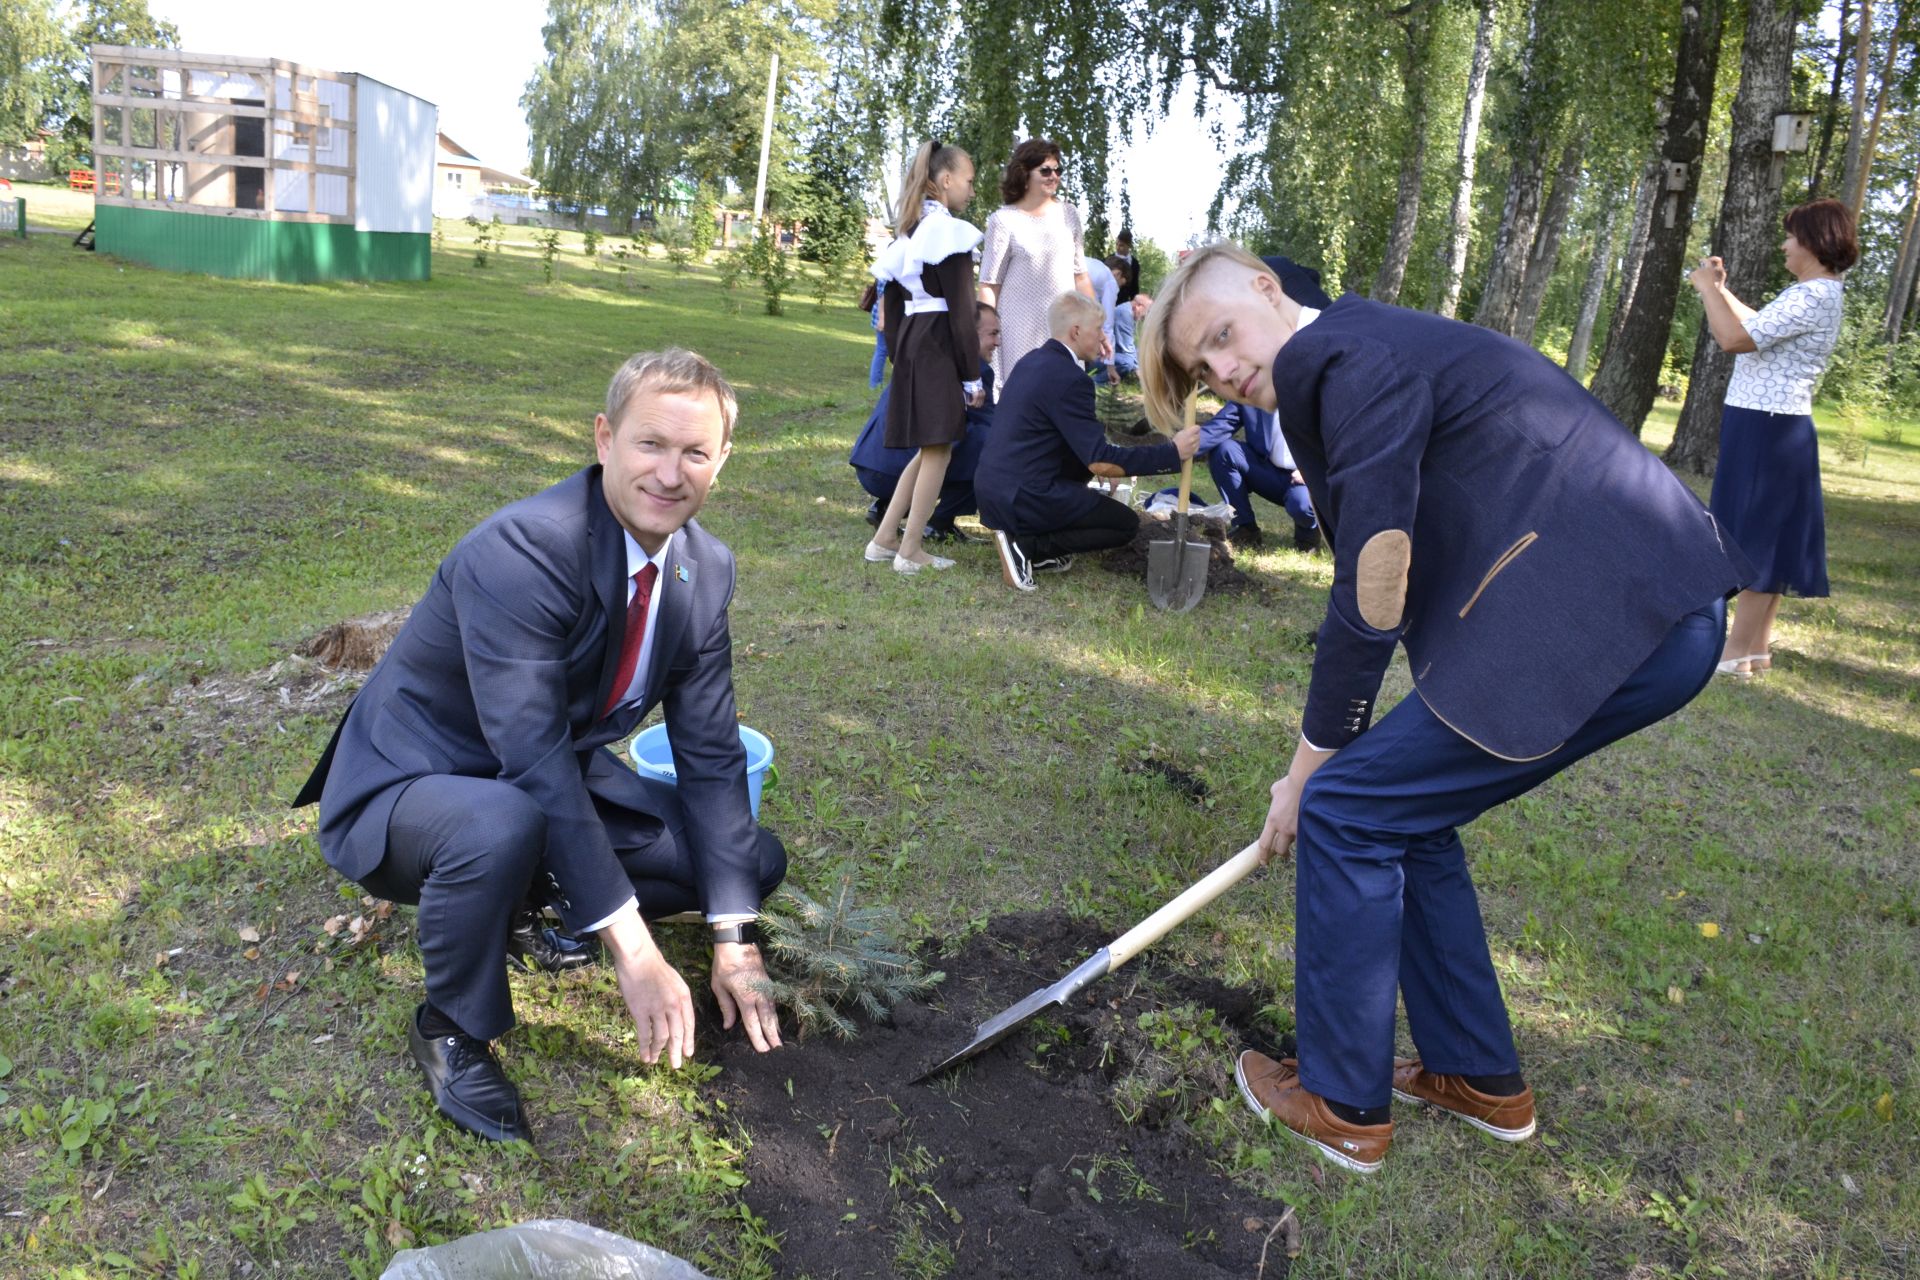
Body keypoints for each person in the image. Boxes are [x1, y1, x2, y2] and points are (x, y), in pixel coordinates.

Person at [1137, 242, 1749, 1174]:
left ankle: (1342, 1103)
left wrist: (1310, 763)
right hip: (1635, 603)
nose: (1223, 371)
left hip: (1613, 611)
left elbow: (1375, 576)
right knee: (1400, 810)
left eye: (1222, 337)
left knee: (1346, 809)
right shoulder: (1355, 349)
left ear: (1269, 289)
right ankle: (1478, 1076)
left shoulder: (1330, 356)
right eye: (1201, 369)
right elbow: (1398, 554)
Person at [294, 348, 790, 1143]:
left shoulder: (706, 569)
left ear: (721, 460)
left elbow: (710, 751)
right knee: (500, 824)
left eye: (695, 452)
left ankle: (541, 907)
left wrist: (733, 940)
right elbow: (528, 754)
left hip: (543, 775)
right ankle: (452, 1026)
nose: (671, 473)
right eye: (650, 444)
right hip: (415, 784)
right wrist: (632, 947)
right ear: (604, 439)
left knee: (750, 866)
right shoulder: (526, 549)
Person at [1688, 198, 1855, 678]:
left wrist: (1704, 290)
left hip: (1765, 424)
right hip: (1779, 424)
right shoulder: (1816, 293)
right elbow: (1754, 326)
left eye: (1790, 236)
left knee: (1753, 537)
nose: (1784, 245)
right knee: (1772, 536)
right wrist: (1721, 289)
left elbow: (1733, 339)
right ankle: (1754, 649)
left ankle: (1734, 651)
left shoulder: (1811, 295)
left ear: (1813, 242)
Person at [976, 291, 1201, 591]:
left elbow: (1059, 442)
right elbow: (1100, 459)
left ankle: (1032, 545)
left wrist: (1090, 471)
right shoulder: (1071, 378)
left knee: (1089, 492)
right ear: (1076, 331)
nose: (1103, 338)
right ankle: (1028, 547)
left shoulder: (1030, 361)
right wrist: (1172, 452)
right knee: (1123, 524)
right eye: (1099, 330)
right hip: (1023, 497)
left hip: (992, 492)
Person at [862, 140, 984, 575]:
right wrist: (972, 377)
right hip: (935, 343)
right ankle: (910, 548)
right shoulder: (947, 232)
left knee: (930, 447)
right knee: (940, 449)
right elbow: (963, 313)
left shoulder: (912, 231)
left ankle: (884, 538)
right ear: (946, 180)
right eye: (968, 181)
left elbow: (887, 303)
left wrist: (899, 353)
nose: (972, 189)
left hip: (914, 341)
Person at [851, 303, 1001, 542]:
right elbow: (993, 430)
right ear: (968, 335)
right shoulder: (975, 369)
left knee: (960, 438)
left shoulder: (925, 357)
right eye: (993, 334)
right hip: (898, 471)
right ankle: (939, 522)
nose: (998, 343)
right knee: (990, 447)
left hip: (869, 466)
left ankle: (886, 507)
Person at [978, 139, 1100, 391]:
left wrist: (1096, 324)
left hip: (1062, 329)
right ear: (1024, 173)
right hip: (1016, 330)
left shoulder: (1069, 214)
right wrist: (984, 332)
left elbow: (1081, 276)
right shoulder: (1003, 221)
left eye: (1058, 170)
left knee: (1063, 398)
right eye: (1045, 170)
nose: (1054, 176)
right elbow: (990, 285)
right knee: (1021, 398)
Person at [1201, 399, 1320, 552]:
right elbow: (1213, 430)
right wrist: (1174, 452)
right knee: (1224, 451)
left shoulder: (1319, 391)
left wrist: (1313, 471)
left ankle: (1308, 537)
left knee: (1301, 504)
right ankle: (1246, 528)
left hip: (1307, 479)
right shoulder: (1254, 389)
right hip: (1267, 469)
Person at [1113, 229, 1139, 303]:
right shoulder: (1109, 260)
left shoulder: (1134, 264)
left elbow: (1134, 287)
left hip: (1124, 303)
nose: (1118, 247)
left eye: (1121, 245)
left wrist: (1134, 303)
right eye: (1116, 244)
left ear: (1129, 246)